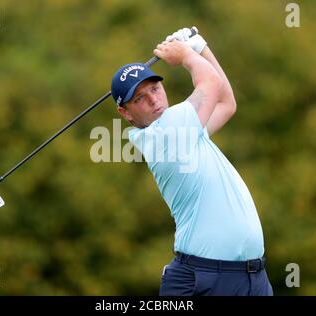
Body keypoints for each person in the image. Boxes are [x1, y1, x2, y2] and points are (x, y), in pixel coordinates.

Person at [110, 28, 273, 296]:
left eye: (155, 88)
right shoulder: (166, 133)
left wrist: (199, 46)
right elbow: (210, 82)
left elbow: (226, 103)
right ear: (125, 113)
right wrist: (186, 54)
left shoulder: (184, 129)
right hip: (205, 279)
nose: (153, 99)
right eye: (139, 98)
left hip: (252, 278)